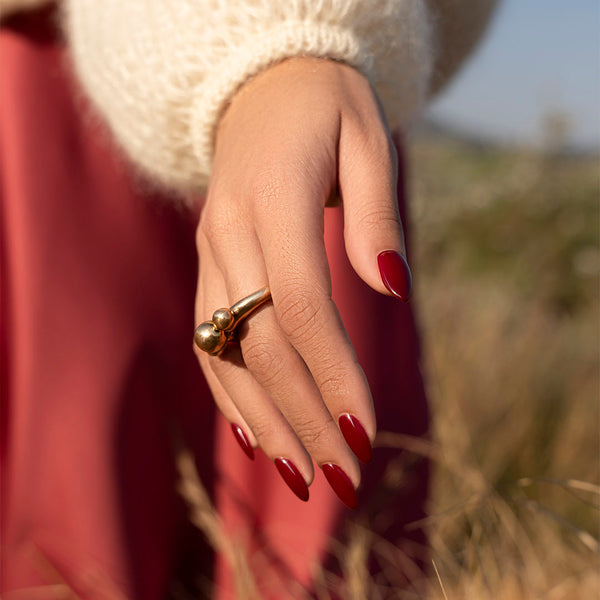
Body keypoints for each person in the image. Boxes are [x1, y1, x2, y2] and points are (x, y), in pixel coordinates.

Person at [0, 1, 498, 598]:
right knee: (87, 490)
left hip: (306, 109)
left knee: (321, 512)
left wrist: (291, 34)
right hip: (53, 98)